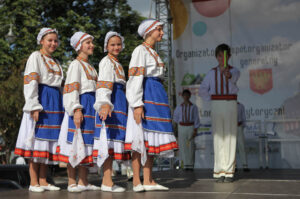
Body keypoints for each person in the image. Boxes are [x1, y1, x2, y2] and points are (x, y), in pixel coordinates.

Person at [125, 19, 178, 192]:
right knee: (140, 138)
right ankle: (136, 181)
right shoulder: (140, 51)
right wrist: (137, 104)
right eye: (159, 30)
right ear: (149, 31)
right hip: (146, 94)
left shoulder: (153, 52)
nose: (162, 33)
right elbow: (134, 78)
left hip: (156, 94)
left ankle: (148, 179)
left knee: (151, 139)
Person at [14, 28, 63, 192]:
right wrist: (33, 105)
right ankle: (33, 181)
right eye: (50, 40)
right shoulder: (36, 57)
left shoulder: (55, 61)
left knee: (48, 142)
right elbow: (31, 81)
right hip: (42, 98)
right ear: (41, 41)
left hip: (55, 101)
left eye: (55, 41)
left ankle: (43, 180)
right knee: (37, 140)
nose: (53, 43)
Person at [56, 31, 100, 192]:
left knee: (87, 143)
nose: (91, 45)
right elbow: (71, 88)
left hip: (91, 105)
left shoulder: (91, 67)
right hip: (81, 104)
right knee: (74, 141)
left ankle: (83, 181)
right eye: (88, 42)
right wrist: (76, 108)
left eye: (91, 42)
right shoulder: (76, 65)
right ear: (79, 46)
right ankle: (71, 182)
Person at [93, 31, 130, 192]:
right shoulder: (106, 62)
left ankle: (109, 180)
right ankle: (106, 181)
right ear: (106, 46)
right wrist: (104, 103)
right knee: (107, 141)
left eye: (118, 44)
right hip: (111, 102)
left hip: (120, 102)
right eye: (112, 44)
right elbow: (104, 83)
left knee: (114, 142)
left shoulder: (118, 63)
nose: (116, 47)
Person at [199, 44, 240, 183]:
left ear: (229, 56)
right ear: (216, 57)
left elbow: (231, 77)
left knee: (230, 136)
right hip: (217, 104)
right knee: (218, 136)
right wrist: (212, 98)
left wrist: (225, 72)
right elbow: (203, 89)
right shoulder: (211, 73)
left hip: (230, 104)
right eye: (220, 56)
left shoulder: (235, 71)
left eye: (225, 55)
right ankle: (219, 170)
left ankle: (229, 171)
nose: (222, 58)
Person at [173, 89, 200, 170]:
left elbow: (196, 118)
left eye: (187, 95)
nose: (186, 97)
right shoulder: (179, 107)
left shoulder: (193, 107)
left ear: (190, 96)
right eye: (184, 95)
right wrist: (179, 125)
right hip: (182, 127)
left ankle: (191, 165)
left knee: (190, 146)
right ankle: (185, 165)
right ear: (182, 96)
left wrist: (195, 129)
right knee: (183, 146)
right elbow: (175, 117)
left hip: (190, 126)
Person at [237, 102, 250, 172]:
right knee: (231, 148)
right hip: (230, 128)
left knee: (241, 146)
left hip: (239, 127)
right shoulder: (228, 105)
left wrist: (243, 126)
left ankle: (245, 165)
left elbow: (243, 117)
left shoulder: (241, 105)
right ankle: (233, 166)